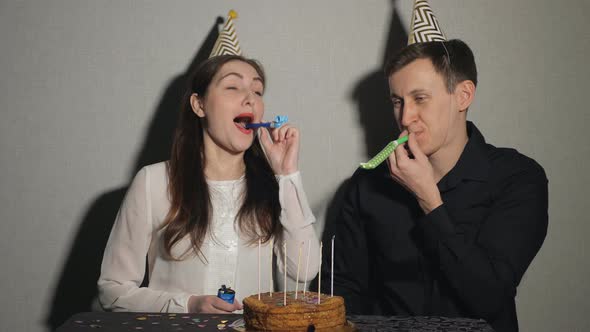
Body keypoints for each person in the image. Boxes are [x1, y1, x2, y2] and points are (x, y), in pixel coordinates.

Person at [322, 39, 548, 332]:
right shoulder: (368, 183)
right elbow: (342, 289)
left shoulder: (517, 177)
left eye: (420, 98)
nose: (405, 117)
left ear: (463, 96)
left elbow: (490, 296)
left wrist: (429, 199)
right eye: (397, 101)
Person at [98, 54, 320, 314]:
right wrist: (188, 305)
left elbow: (305, 271)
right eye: (232, 87)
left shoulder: (275, 187)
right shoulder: (153, 182)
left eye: (258, 91)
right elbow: (113, 291)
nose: (251, 98)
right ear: (199, 104)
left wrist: (287, 174)